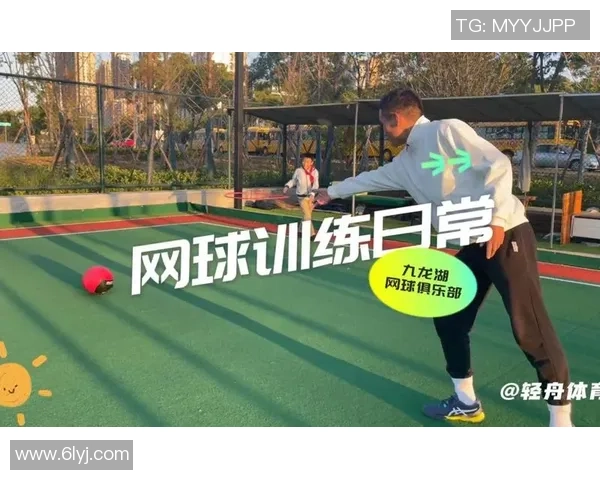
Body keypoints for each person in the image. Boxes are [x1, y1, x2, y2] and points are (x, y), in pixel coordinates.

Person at [315, 88, 573, 427]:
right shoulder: (406, 162)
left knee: (529, 327)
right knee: (449, 316)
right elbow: (371, 179)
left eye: (383, 124)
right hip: (473, 245)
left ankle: (561, 419)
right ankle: (466, 401)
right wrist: (330, 192)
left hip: (505, 233)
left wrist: (496, 221)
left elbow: (497, 163)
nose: (384, 131)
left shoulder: (446, 131)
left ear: (394, 119)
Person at [283, 154, 320, 237]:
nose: (305, 163)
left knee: (306, 214)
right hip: (301, 197)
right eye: (304, 161)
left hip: (310, 197)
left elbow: (316, 184)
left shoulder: (315, 172)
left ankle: (300, 231)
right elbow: (293, 181)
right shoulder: (298, 171)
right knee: (307, 216)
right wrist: (287, 186)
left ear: (312, 162)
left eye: (307, 161)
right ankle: (312, 234)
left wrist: (312, 194)